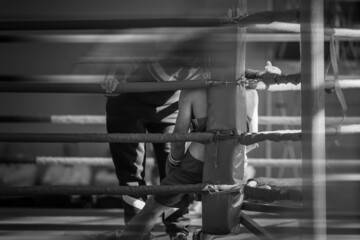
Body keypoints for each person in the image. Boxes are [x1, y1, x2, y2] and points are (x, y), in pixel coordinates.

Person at [113, 62, 281, 240]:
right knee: (219, 203)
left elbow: (179, 136)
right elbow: (250, 140)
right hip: (235, 165)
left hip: (195, 163)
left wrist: (174, 164)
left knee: (153, 209)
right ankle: (202, 236)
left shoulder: (193, 90)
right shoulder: (252, 93)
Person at [101, 36, 209, 240]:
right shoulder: (164, 43)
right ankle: (138, 233)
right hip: (127, 103)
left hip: (171, 105)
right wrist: (114, 75)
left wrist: (266, 76)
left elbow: (236, 73)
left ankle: (178, 230)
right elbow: (128, 57)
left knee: (174, 169)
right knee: (131, 173)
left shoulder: (211, 54)